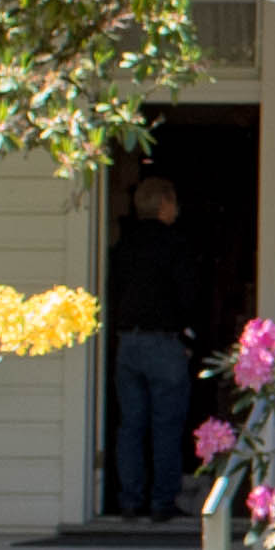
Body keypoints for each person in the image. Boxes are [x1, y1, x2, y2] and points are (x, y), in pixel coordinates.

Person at [104, 168, 199, 521]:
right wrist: (189, 336)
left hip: (128, 342)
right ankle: (161, 503)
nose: (176, 209)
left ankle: (129, 500)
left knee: (131, 425)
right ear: (163, 204)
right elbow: (187, 295)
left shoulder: (122, 246)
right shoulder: (175, 245)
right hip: (164, 343)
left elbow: (113, 293)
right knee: (166, 425)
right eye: (173, 202)